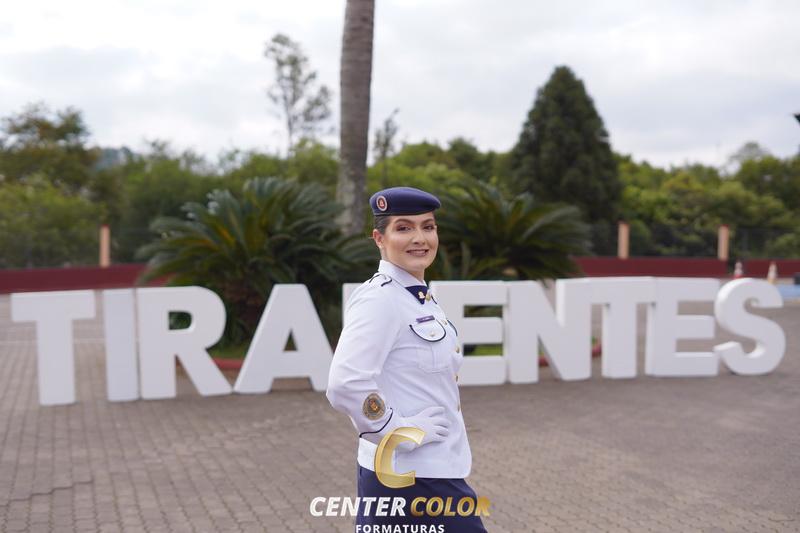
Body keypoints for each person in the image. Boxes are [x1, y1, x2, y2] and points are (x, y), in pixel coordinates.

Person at [326, 186, 487, 531]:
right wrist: (398, 430)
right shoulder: (379, 300)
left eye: (428, 227)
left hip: (429, 470)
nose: (420, 238)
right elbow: (345, 384)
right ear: (379, 239)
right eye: (403, 228)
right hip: (411, 477)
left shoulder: (417, 297)